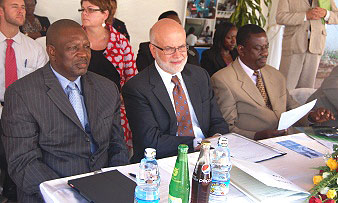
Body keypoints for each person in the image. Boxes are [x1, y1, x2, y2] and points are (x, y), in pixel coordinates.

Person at [1, 19, 129, 202]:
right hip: (51, 194)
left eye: (86, 47)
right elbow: (23, 162)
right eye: (73, 48)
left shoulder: (106, 88)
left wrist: (116, 184)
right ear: (52, 52)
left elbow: (117, 146)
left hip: (104, 189)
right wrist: (68, 195)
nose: (83, 54)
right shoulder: (22, 94)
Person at [122, 19, 229, 163]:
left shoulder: (200, 76)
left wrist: (216, 139)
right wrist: (197, 144)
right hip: (163, 161)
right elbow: (151, 141)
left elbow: (218, 120)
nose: (178, 55)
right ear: (153, 50)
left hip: (207, 156)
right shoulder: (137, 88)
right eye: (169, 49)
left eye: (182, 47)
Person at [211, 24, 334, 140]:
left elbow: (291, 107)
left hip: (286, 140)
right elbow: (226, 127)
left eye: (266, 47)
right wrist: (256, 136)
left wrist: (311, 116)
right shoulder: (223, 80)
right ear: (241, 50)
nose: (265, 53)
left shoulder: (275, 75)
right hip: (252, 145)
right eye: (258, 48)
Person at [0, 0, 48, 201]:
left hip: (23, 117)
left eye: (22, 6)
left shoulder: (34, 48)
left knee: (19, 168)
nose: (22, 10)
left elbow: (43, 87)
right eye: (14, 6)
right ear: (1, 11)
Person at [80, 0, 137, 151]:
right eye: (83, 9)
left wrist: (124, 97)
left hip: (114, 111)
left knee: (115, 156)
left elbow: (132, 80)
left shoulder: (121, 42)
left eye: (90, 10)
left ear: (105, 14)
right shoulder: (74, 40)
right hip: (80, 108)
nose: (84, 13)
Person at [276, 0, 338, 90]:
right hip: (293, 44)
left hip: (316, 45)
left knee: (307, 89)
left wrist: (326, 14)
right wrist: (305, 16)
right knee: (286, 87)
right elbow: (280, 17)